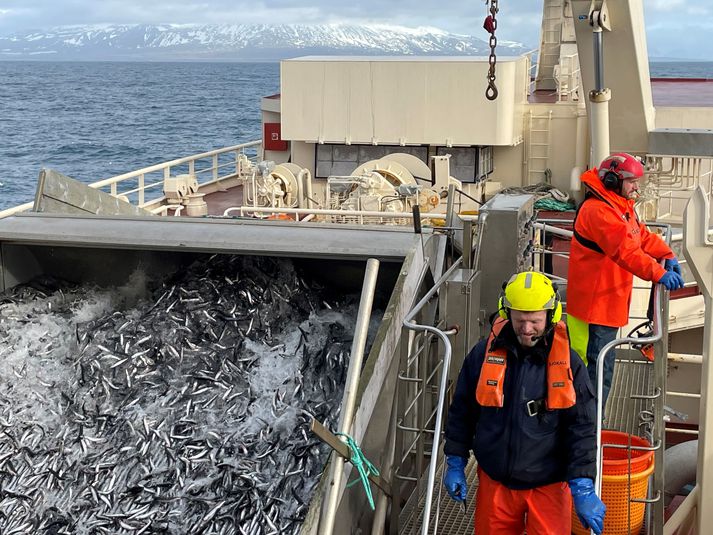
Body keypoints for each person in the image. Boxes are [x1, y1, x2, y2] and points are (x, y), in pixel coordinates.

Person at [443, 271, 605, 535]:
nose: (527, 329)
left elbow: (583, 427)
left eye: (534, 321)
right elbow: (462, 411)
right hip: (496, 483)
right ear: (506, 313)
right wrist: (455, 461)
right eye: (519, 320)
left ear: (551, 316)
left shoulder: (571, 365)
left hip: (550, 485)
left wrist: (583, 486)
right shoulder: (481, 356)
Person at [567, 152, 684, 407]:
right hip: (594, 308)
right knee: (597, 371)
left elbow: (639, 236)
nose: (636, 187)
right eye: (632, 181)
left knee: (602, 367)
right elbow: (626, 252)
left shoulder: (618, 207)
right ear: (612, 180)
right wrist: (660, 273)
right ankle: (590, 428)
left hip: (606, 303)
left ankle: (592, 423)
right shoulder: (599, 211)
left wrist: (667, 254)